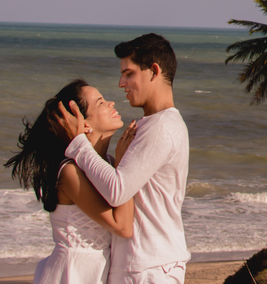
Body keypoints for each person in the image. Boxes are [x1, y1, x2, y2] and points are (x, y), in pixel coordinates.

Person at [55, 34, 190, 284]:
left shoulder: (161, 127)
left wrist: (78, 144)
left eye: (129, 74)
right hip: (144, 263)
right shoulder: (154, 125)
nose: (121, 83)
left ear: (154, 71)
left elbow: (117, 190)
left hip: (148, 267)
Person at [5, 80, 136, 284]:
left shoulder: (107, 164)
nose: (111, 103)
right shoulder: (70, 171)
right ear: (82, 124)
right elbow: (123, 226)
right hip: (74, 271)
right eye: (100, 103)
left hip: (98, 268)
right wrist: (123, 163)